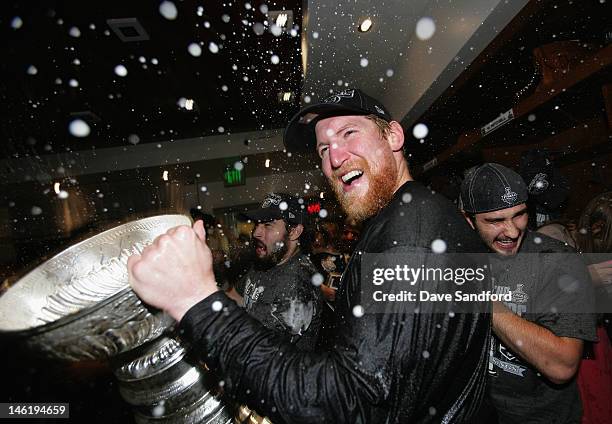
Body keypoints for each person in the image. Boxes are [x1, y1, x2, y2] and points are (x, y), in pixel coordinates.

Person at [128, 88, 491, 423]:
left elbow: (347, 403)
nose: (334, 156)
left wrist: (197, 303)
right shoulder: (404, 217)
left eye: (349, 133)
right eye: (322, 149)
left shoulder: (411, 231)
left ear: (393, 136)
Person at [460, 163, 597, 424]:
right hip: (482, 413)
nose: (512, 231)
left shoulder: (558, 261)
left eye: (519, 215)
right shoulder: (463, 257)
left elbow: (562, 366)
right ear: (468, 220)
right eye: (495, 220)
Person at [539, 192, 612, 424]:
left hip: (597, 338)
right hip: (573, 342)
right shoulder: (553, 236)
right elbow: (536, 293)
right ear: (598, 227)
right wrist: (586, 279)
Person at [230, 192, 323, 351]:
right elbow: (236, 296)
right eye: (257, 224)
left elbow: (259, 348)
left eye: (268, 224)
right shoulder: (268, 260)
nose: (256, 232)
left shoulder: (299, 283)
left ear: (294, 231)